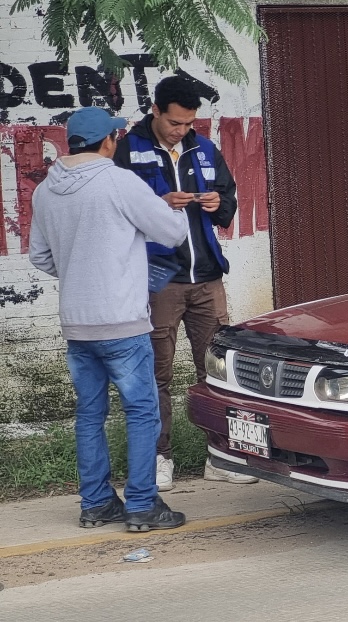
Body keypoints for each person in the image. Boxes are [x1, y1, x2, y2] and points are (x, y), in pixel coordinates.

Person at [29, 106, 189, 531]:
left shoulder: (45, 191)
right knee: (141, 410)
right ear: (107, 142)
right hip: (121, 321)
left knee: (90, 413)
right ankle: (141, 505)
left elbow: (41, 256)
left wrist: (82, 267)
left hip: (77, 325)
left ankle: (97, 504)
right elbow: (171, 234)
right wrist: (171, 207)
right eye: (116, 137)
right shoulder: (119, 182)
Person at [113, 76, 258, 490]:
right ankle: (160, 459)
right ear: (156, 111)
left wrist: (216, 203)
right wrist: (155, 207)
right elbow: (116, 214)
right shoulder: (127, 150)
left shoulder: (203, 146)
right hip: (159, 279)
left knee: (216, 371)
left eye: (189, 123)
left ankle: (223, 455)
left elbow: (228, 199)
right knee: (155, 375)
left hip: (207, 277)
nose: (182, 131)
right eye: (175, 123)